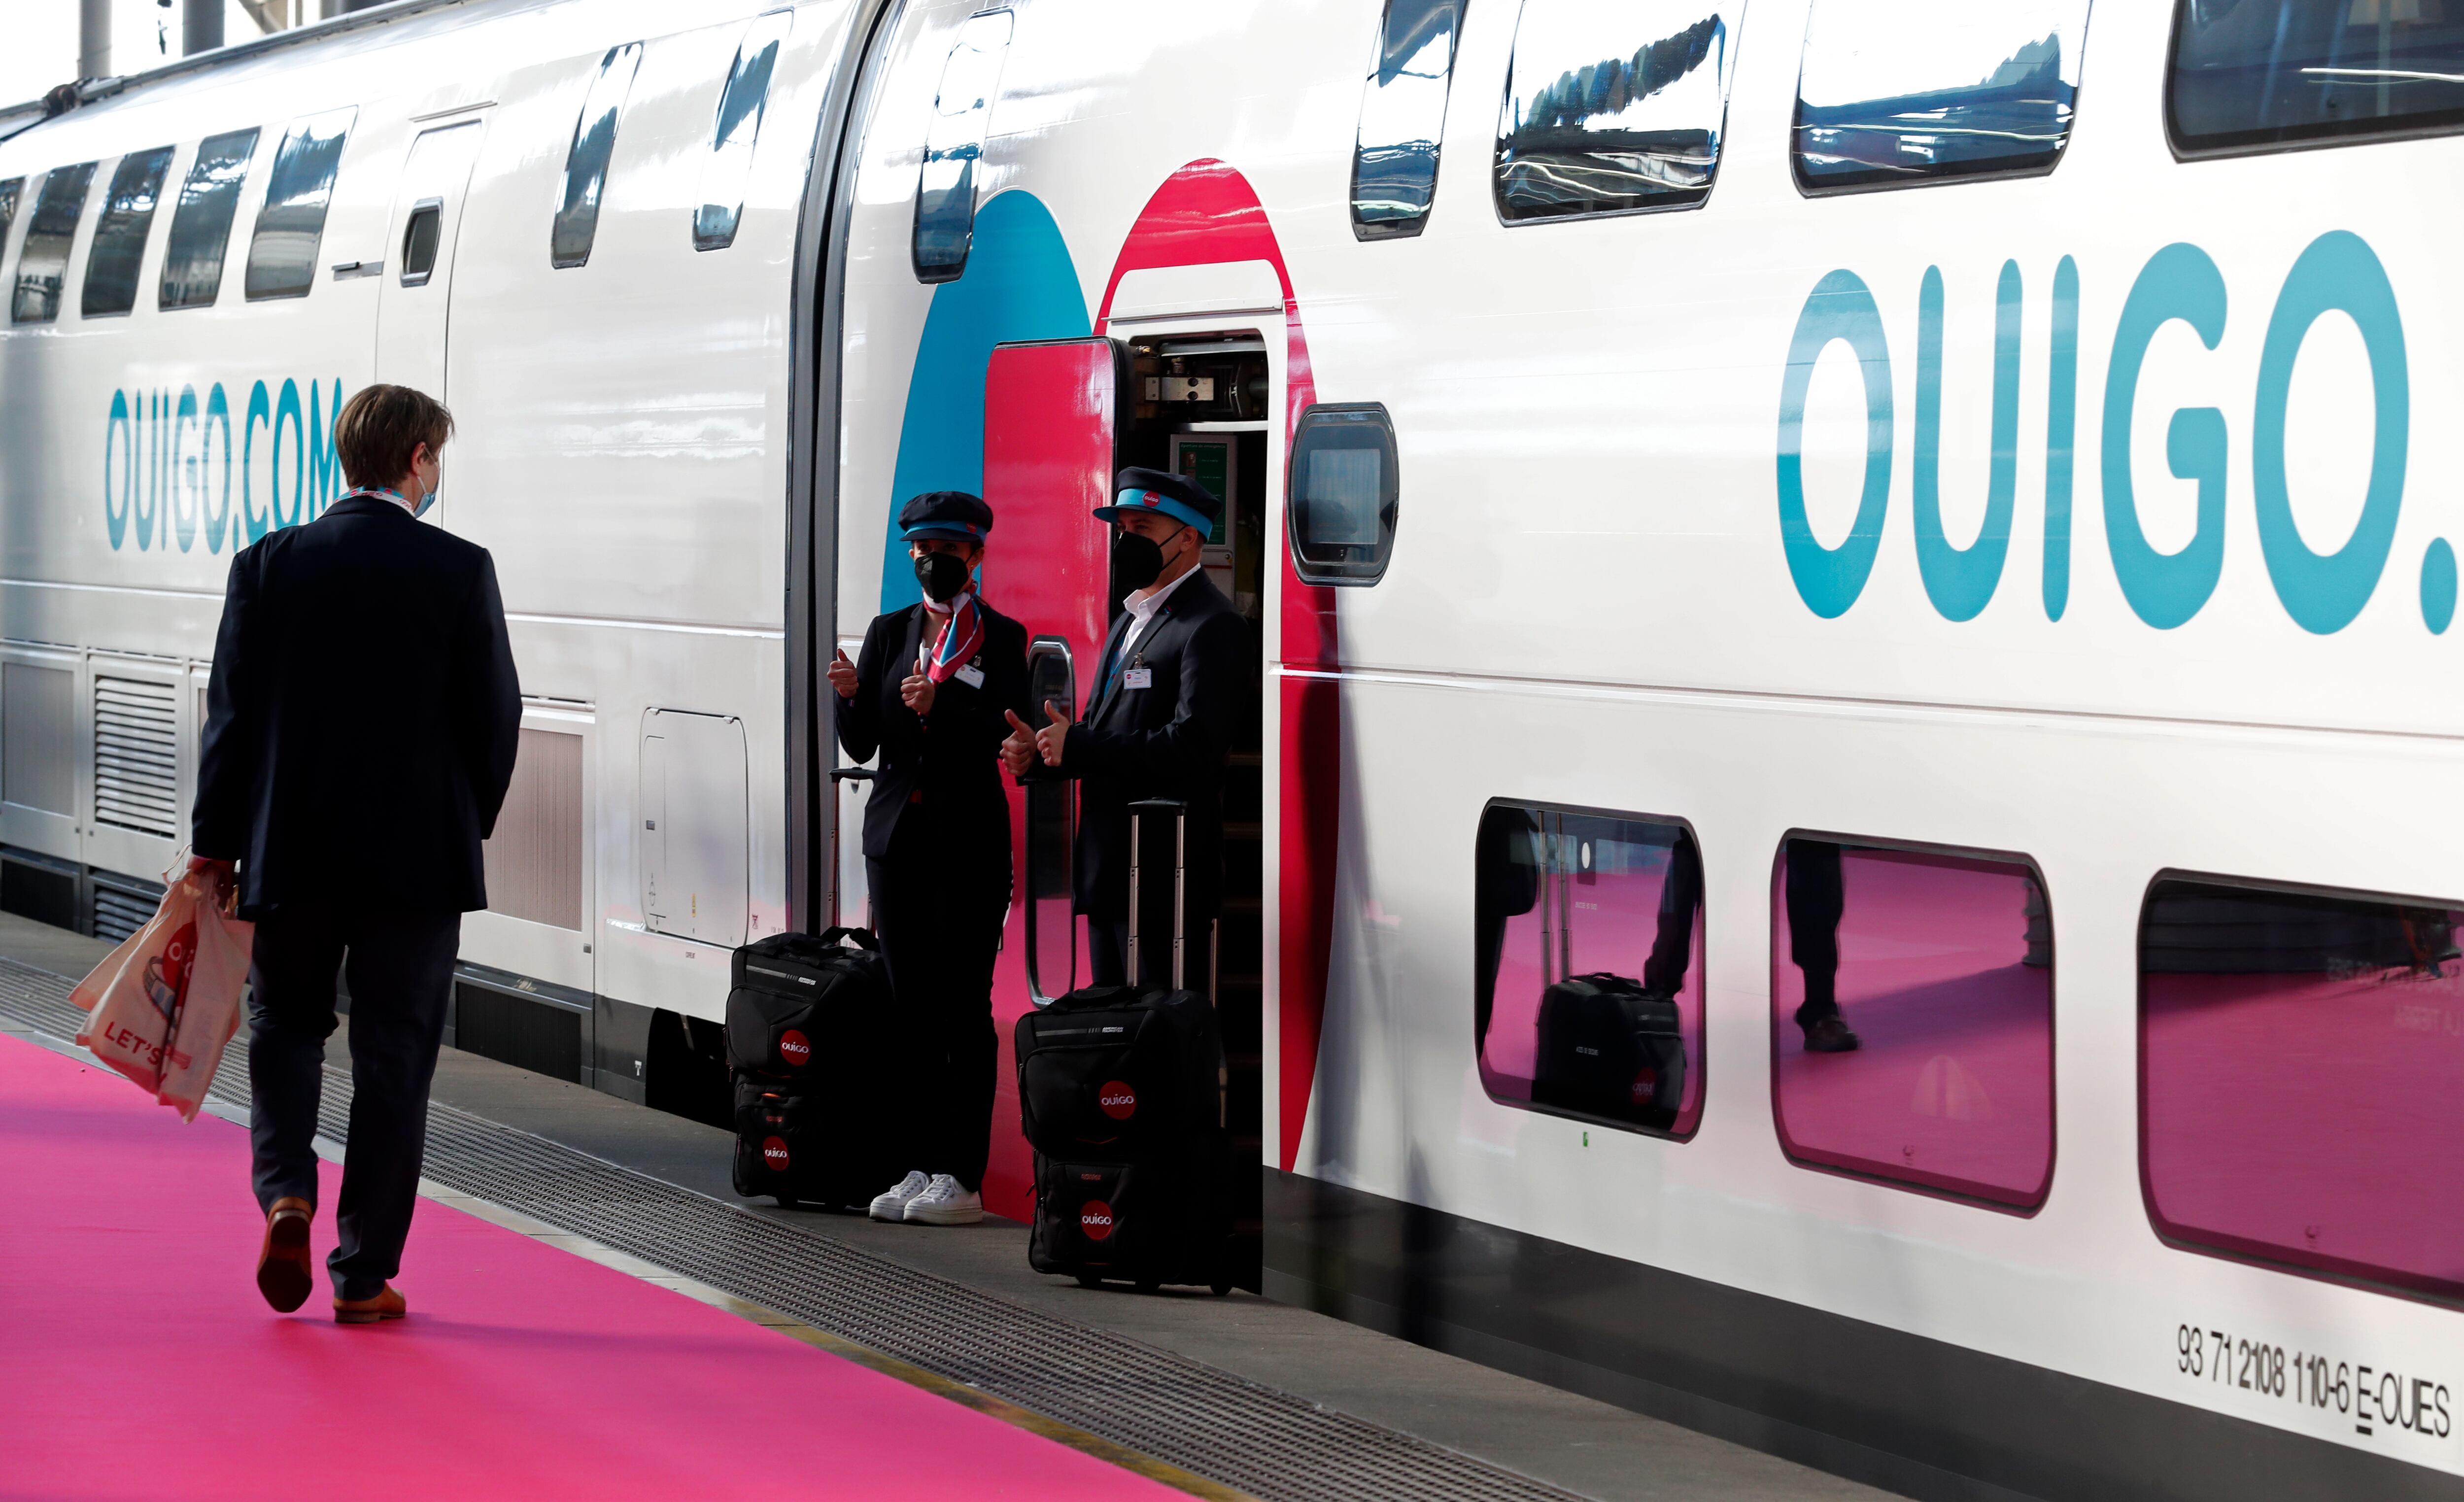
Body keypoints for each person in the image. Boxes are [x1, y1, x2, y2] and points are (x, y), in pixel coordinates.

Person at [191, 383, 521, 1323]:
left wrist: (218, 847)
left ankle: (286, 1189)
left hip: (290, 855)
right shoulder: (459, 568)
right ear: (417, 458)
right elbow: (495, 716)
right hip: (417, 867)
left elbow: (231, 723)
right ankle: (364, 1269)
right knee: (394, 1056)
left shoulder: (268, 563)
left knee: (286, 1027)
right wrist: (466, 820)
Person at [833, 491, 1028, 1227]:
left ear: (974, 556)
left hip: (968, 846)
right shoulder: (891, 632)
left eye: (946, 550)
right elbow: (862, 744)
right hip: (896, 845)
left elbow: (1002, 733)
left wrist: (937, 708)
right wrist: (850, 698)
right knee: (908, 1006)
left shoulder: (1003, 640)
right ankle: (916, 1164)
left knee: (962, 1010)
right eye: (919, 549)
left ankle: (962, 1175)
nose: (930, 561)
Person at [1002, 468, 1242, 989]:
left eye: (1142, 529)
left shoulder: (1211, 624)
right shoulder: (1131, 619)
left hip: (1163, 877)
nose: (1125, 541)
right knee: (1113, 1040)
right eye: (1122, 529)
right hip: (1111, 872)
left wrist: (1079, 745)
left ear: (1188, 538)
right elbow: (1099, 731)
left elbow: (1193, 746)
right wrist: (1044, 756)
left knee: (1157, 1039)